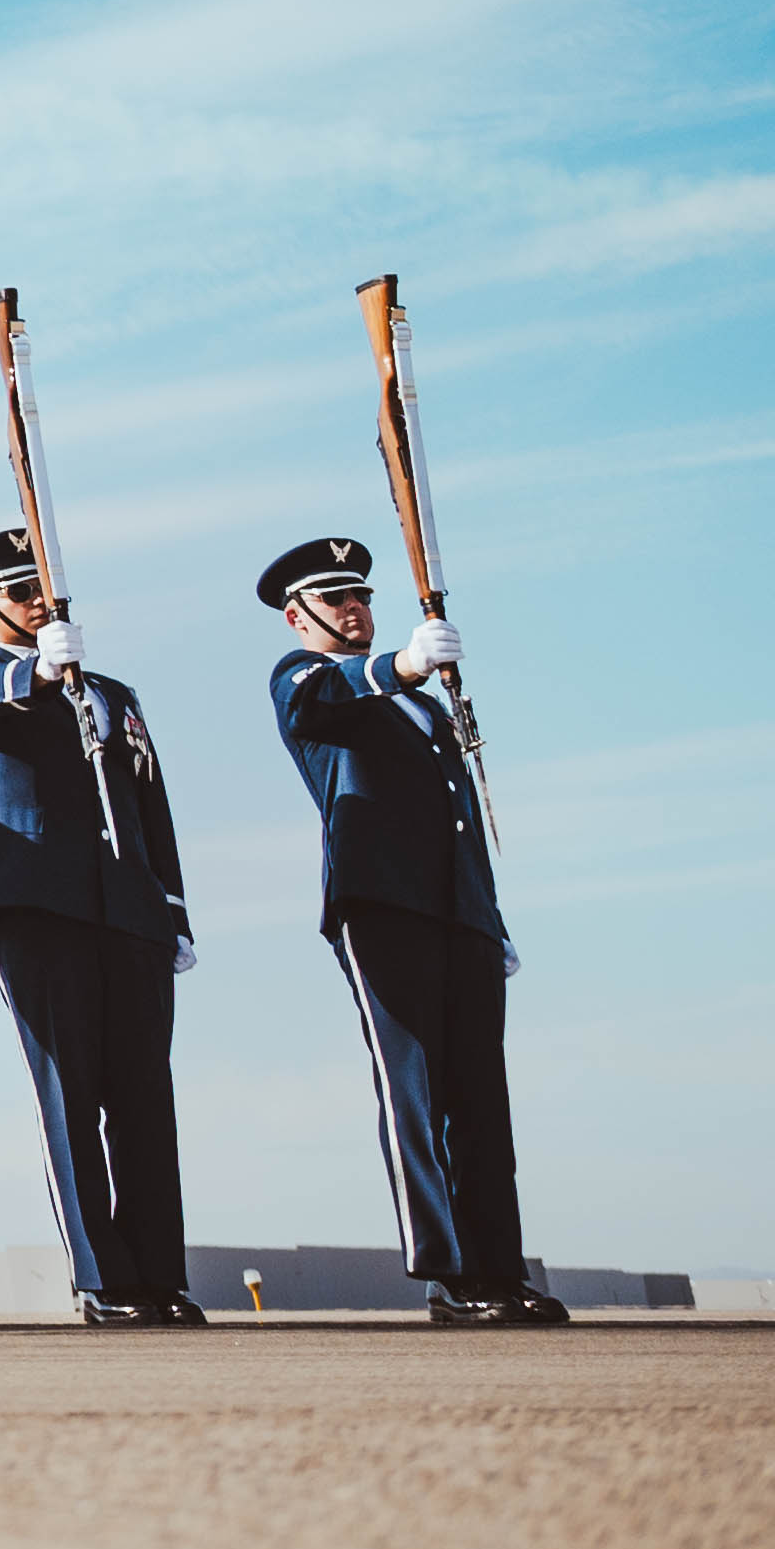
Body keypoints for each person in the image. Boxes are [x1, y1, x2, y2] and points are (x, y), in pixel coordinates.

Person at [259, 539, 559, 1325]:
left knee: (481, 1098)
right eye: (336, 598)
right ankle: (450, 1275)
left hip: (457, 908)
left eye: (360, 594)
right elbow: (322, 698)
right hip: (381, 904)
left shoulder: (424, 706)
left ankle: (500, 1263)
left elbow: (461, 819)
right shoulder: (302, 678)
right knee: (416, 1091)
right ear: (300, 616)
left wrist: (490, 918)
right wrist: (400, 664)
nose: (354, 608)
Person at [0, 533, 202, 1326]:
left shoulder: (114, 692)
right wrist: (42, 671)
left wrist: (173, 907)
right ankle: (102, 1277)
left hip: (131, 909)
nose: (38, 602)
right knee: (70, 1095)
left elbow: (151, 802)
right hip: (38, 905)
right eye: (20, 593)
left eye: (44, 589)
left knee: (146, 1101)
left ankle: (159, 1273)